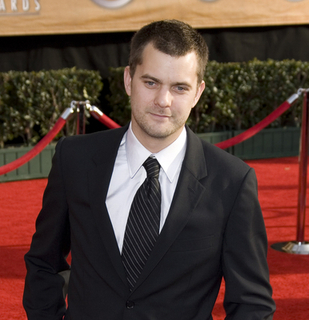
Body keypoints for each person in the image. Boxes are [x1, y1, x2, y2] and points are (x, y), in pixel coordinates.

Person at [23, 19, 275, 320]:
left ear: (198, 93)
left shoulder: (231, 182)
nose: (162, 101)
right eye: (151, 82)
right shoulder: (74, 159)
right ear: (129, 79)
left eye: (179, 87)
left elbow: (252, 304)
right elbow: (44, 262)